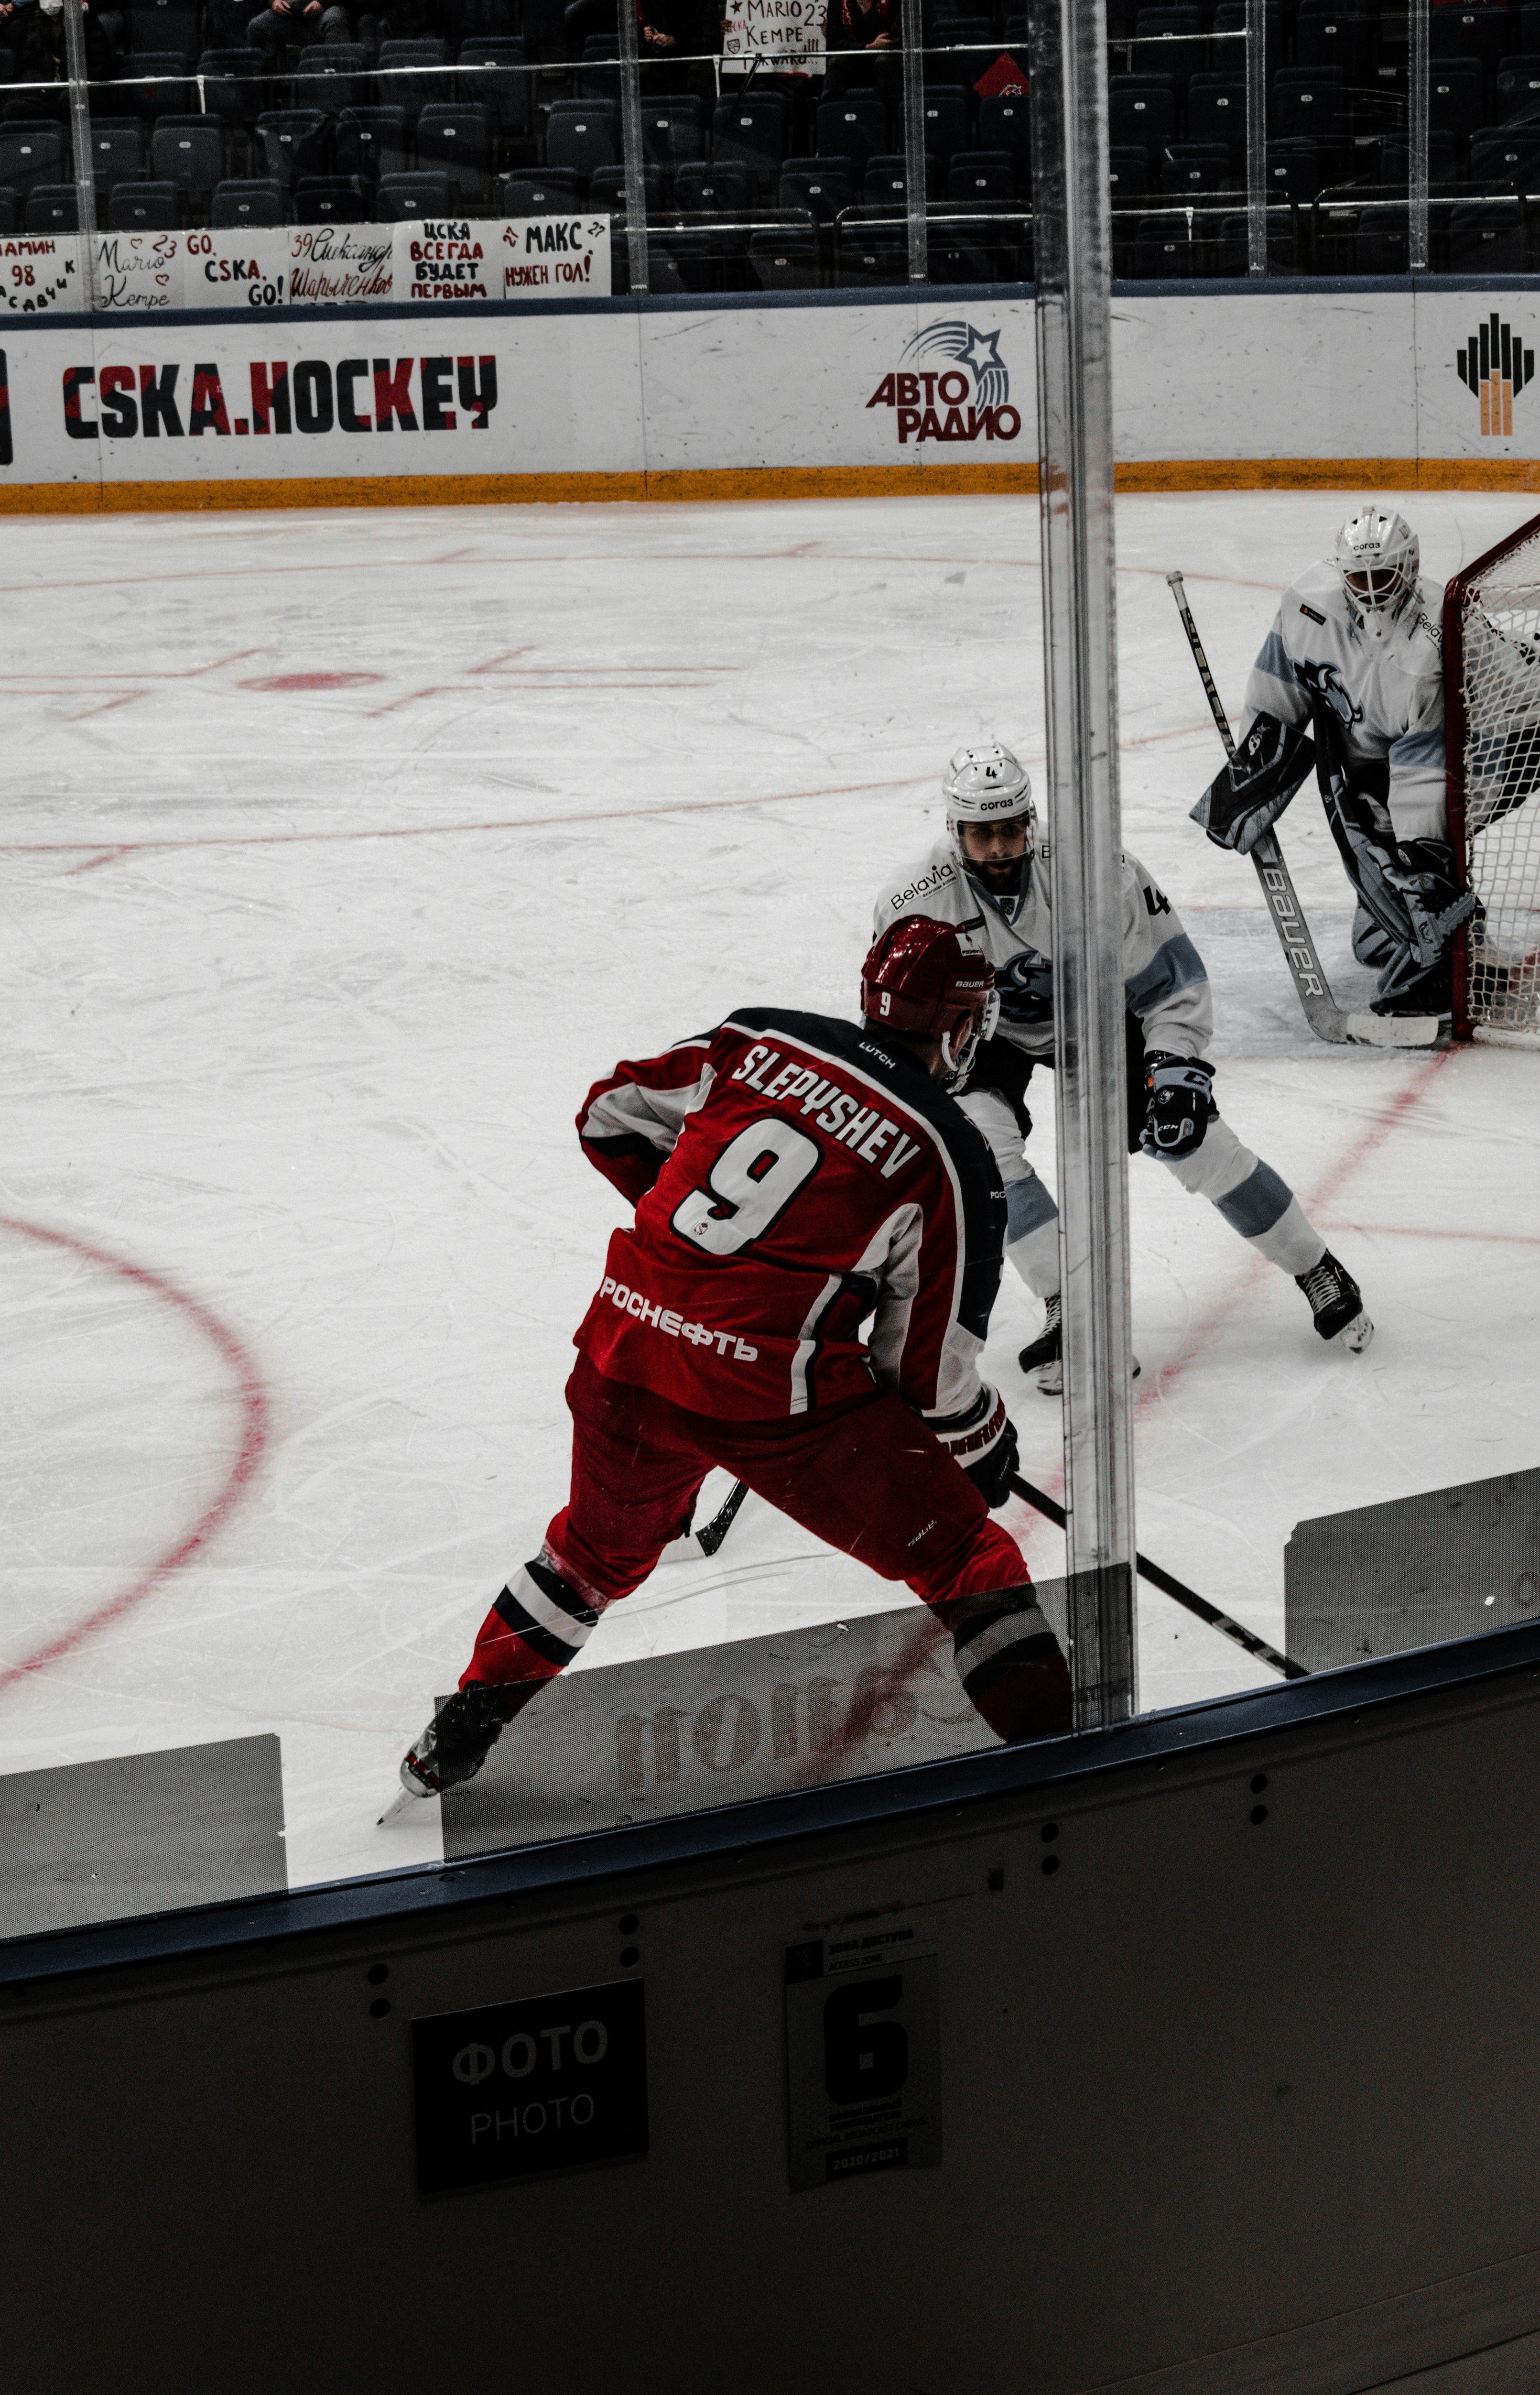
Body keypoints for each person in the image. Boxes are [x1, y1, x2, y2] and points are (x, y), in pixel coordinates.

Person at [391, 918, 1072, 1807]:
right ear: (957, 1028)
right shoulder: (948, 1153)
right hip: (773, 1402)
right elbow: (926, 1378)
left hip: (623, 1350)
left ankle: (454, 1737)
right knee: (966, 1560)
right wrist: (982, 1449)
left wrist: (704, 1261)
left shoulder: (757, 1038)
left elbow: (609, 1114)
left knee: (590, 1560)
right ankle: (1069, 1783)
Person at [872, 742, 1373, 1395]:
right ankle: (1072, 1308)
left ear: (1031, 820)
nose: (997, 847)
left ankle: (1316, 1266)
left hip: (1103, 1015)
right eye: (980, 833)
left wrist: (1174, 1067)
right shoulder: (914, 899)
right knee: (982, 1153)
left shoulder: (1098, 869)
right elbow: (900, 1016)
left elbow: (1171, 982)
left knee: (1192, 1139)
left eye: (1009, 830)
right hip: (983, 1032)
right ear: (954, 830)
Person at [1193, 503, 1473, 1021]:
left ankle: (1443, 958)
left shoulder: (1431, 642)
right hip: (1377, 754)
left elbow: (1422, 766)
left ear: (1408, 568)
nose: (1369, 591)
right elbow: (1279, 690)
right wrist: (1252, 781)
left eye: (1382, 576)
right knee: (1375, 895)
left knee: (1411, 858)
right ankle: (1399, 923)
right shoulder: (1308, 603)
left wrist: (1423, 859)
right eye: (1358, 577)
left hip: (1498, 741)